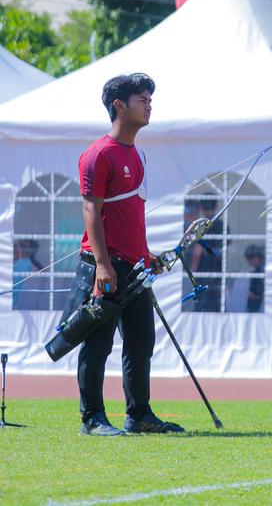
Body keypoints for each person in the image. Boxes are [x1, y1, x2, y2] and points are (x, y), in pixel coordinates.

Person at [63, 73, 181, 436]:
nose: (149, 104)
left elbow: (131, 215)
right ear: (119, 106)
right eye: (141, 99)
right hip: (106, 266)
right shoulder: (98, 154)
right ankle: (92, 419)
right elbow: (90, 212)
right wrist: (101, 264)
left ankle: (139, 415)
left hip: (136, 266)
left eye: (150, 98)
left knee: (141, 341)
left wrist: (146, 255)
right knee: (97, 344)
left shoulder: (139, 153)